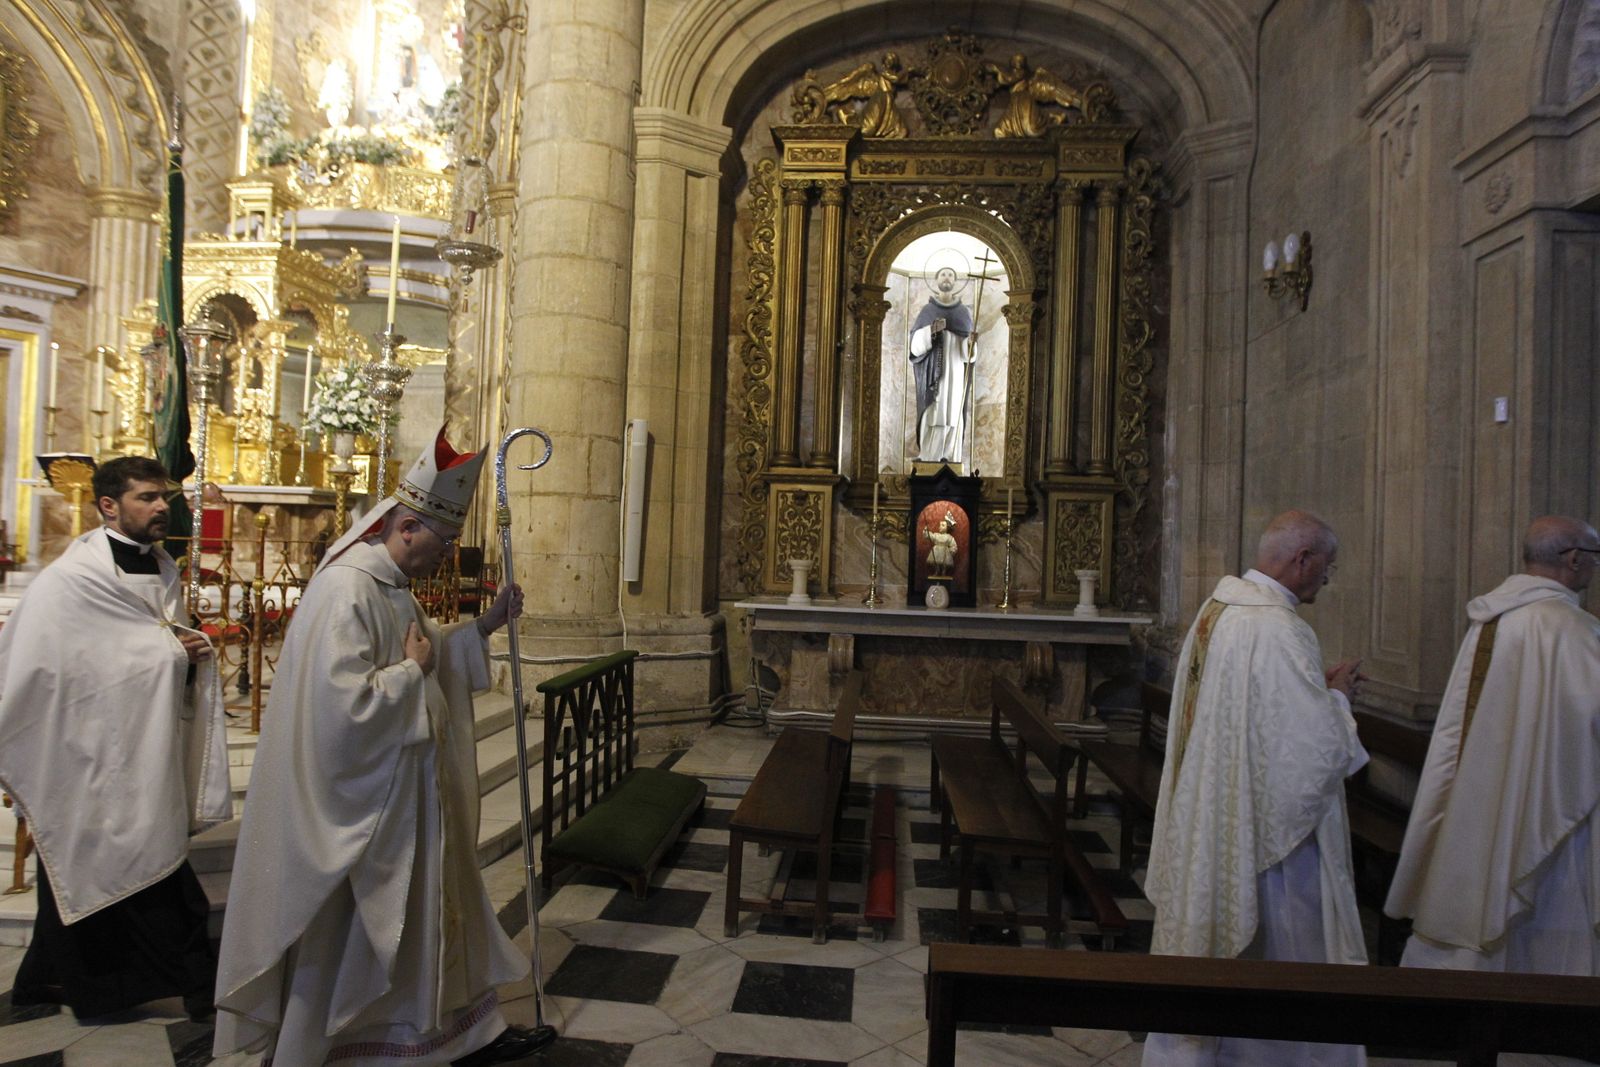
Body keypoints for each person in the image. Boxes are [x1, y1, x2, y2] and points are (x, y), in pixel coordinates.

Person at [213, 429, 545, 1067]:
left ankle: (463, 1033)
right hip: (369, 808)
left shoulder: (388, 585)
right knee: (370, 928)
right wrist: (407, 676)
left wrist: (483, 626)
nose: (445, 559)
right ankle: (362, 1043)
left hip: (410, 794)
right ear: (410, 527)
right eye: (443, 544)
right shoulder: (347, 591)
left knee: (431, 913)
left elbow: (426, 648)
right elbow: (340, 710)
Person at [0, 455, 229, 1020]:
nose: (161, 507)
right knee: (100, 861)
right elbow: (52, 672)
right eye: (146, 498)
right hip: (87, 753)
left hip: (140, 748)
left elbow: (150, 643)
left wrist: (186, 654)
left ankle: (48, 980)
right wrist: (169, 652)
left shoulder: (162, 567)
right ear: (109, 505)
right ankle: (159, 987)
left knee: (114, 861)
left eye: (163, 497)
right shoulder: (71, 581)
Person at [1143, 510, 1368, 1067]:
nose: (1326, 579)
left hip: (1215, 817)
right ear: (1302, 560)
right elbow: (1310, 756)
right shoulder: (1278, 628)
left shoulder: (1217, 610)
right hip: (1266, 850)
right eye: (1326, 567)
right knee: (1280, 958)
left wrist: (1320, 693)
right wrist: (1338, 698)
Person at [1386, 515, 1600, 977]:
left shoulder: (1493, 618)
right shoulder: (1570, 628)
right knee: (1547, 901)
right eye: (1594, 557)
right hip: (1546, 800)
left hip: (1487, 788)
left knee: (1482, 869)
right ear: (1574, 558)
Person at [909, 265, 976, 464]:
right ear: (937, 279)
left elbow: (968, 356)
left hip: (955, 372)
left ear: (955, 282)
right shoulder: (927, 311)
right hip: (933, 374)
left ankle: (950, 455)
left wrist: (970, 344)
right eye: (943, 274)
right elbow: (914, 347)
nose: (947, 278)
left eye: (951, 275)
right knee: (933, 412)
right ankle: (929, 456)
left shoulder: (963, 312)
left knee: (953, 413)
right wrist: (931, 331)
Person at [924, 509, 957, 577]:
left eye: (943, 525)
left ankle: (943, 572)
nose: (940, 526)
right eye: (940, 525)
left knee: (944, 564)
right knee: (936, 563)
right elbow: (930, 536)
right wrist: (926, 531)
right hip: (936, 552)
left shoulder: (949, 537)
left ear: (947, 528)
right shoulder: (936, 535)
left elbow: (954, 545)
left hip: (945, 553)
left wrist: (951, 552)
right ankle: (937, 571)